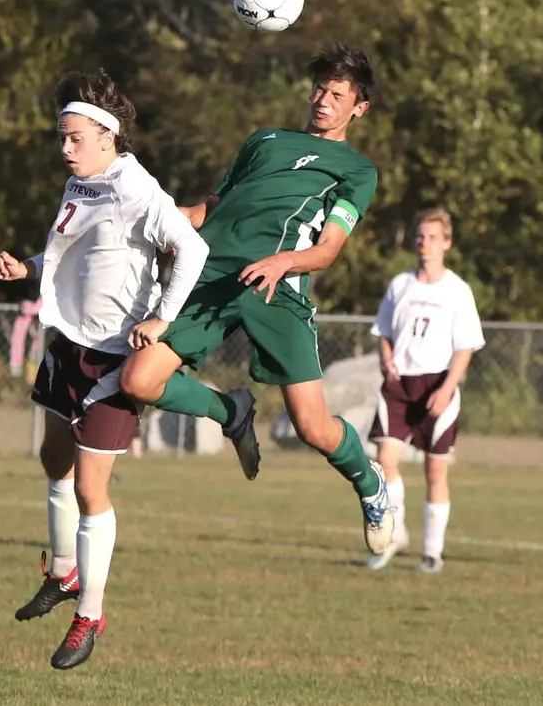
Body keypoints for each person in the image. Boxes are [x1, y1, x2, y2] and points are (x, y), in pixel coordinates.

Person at [119, 43, 394, 556]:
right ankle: (231, 411)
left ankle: (369, 482)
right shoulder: (264, 140)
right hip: (211, 277)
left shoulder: (356, 171)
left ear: (359, 107)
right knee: (138, 380)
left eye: (337, 94)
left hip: (277, 288)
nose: (323, 100)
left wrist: (284, 261)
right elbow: (214, 207)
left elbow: (328, 248)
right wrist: (161, 219)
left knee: (313, 427)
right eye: (319, 89)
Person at [0, 70, 213, 670]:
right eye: (62, 137)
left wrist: (164, 319)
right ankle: (63, 573)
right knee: (51, 460)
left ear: (108, 136)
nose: (64, 148)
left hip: (111, 359)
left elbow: (193, 250)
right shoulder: (81, 184)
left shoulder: (136, 188)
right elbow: (76, 254)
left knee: (91, 488)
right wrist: (28, 268)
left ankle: (89, 613)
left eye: (74, 138)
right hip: (66, 345)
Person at [364, 207, 485, 574]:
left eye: (433, 237)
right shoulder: (400, 285)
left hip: (437, 385)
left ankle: (432, 551)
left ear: (446, 243)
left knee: (435, 471)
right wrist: (387, 360)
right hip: (399, 386)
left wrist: (447, 389)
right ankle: (395, 533)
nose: (425, 243)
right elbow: (383, 332)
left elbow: (466, 347)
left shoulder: (457, 291)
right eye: (420, 236)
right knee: (385, 463)